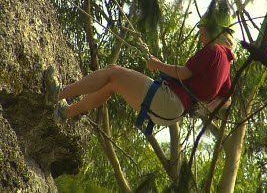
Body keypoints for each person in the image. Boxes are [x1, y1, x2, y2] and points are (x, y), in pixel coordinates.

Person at [48, 8, 236, 127]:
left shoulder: (214, 51)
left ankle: (57, 93)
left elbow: (184, 73)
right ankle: (65, 113)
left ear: (215, 29)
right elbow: (225, 101)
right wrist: (198, 106)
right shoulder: (227, 64)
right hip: (173, 113)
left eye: (204, 30)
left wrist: (157, 65)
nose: (201, 34)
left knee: (113, 70)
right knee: (112, 84)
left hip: (168, 100)